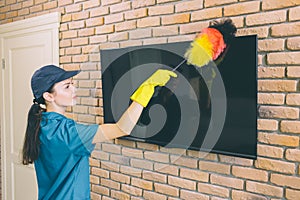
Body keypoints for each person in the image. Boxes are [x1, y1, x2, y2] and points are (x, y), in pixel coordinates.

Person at [22, 64, 177, 200]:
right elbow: (122, 128)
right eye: (67, 86)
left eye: (72, 84)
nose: (74, 89)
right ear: (48, 96)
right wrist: (146, 89)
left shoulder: (41, 124)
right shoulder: (68, 133)